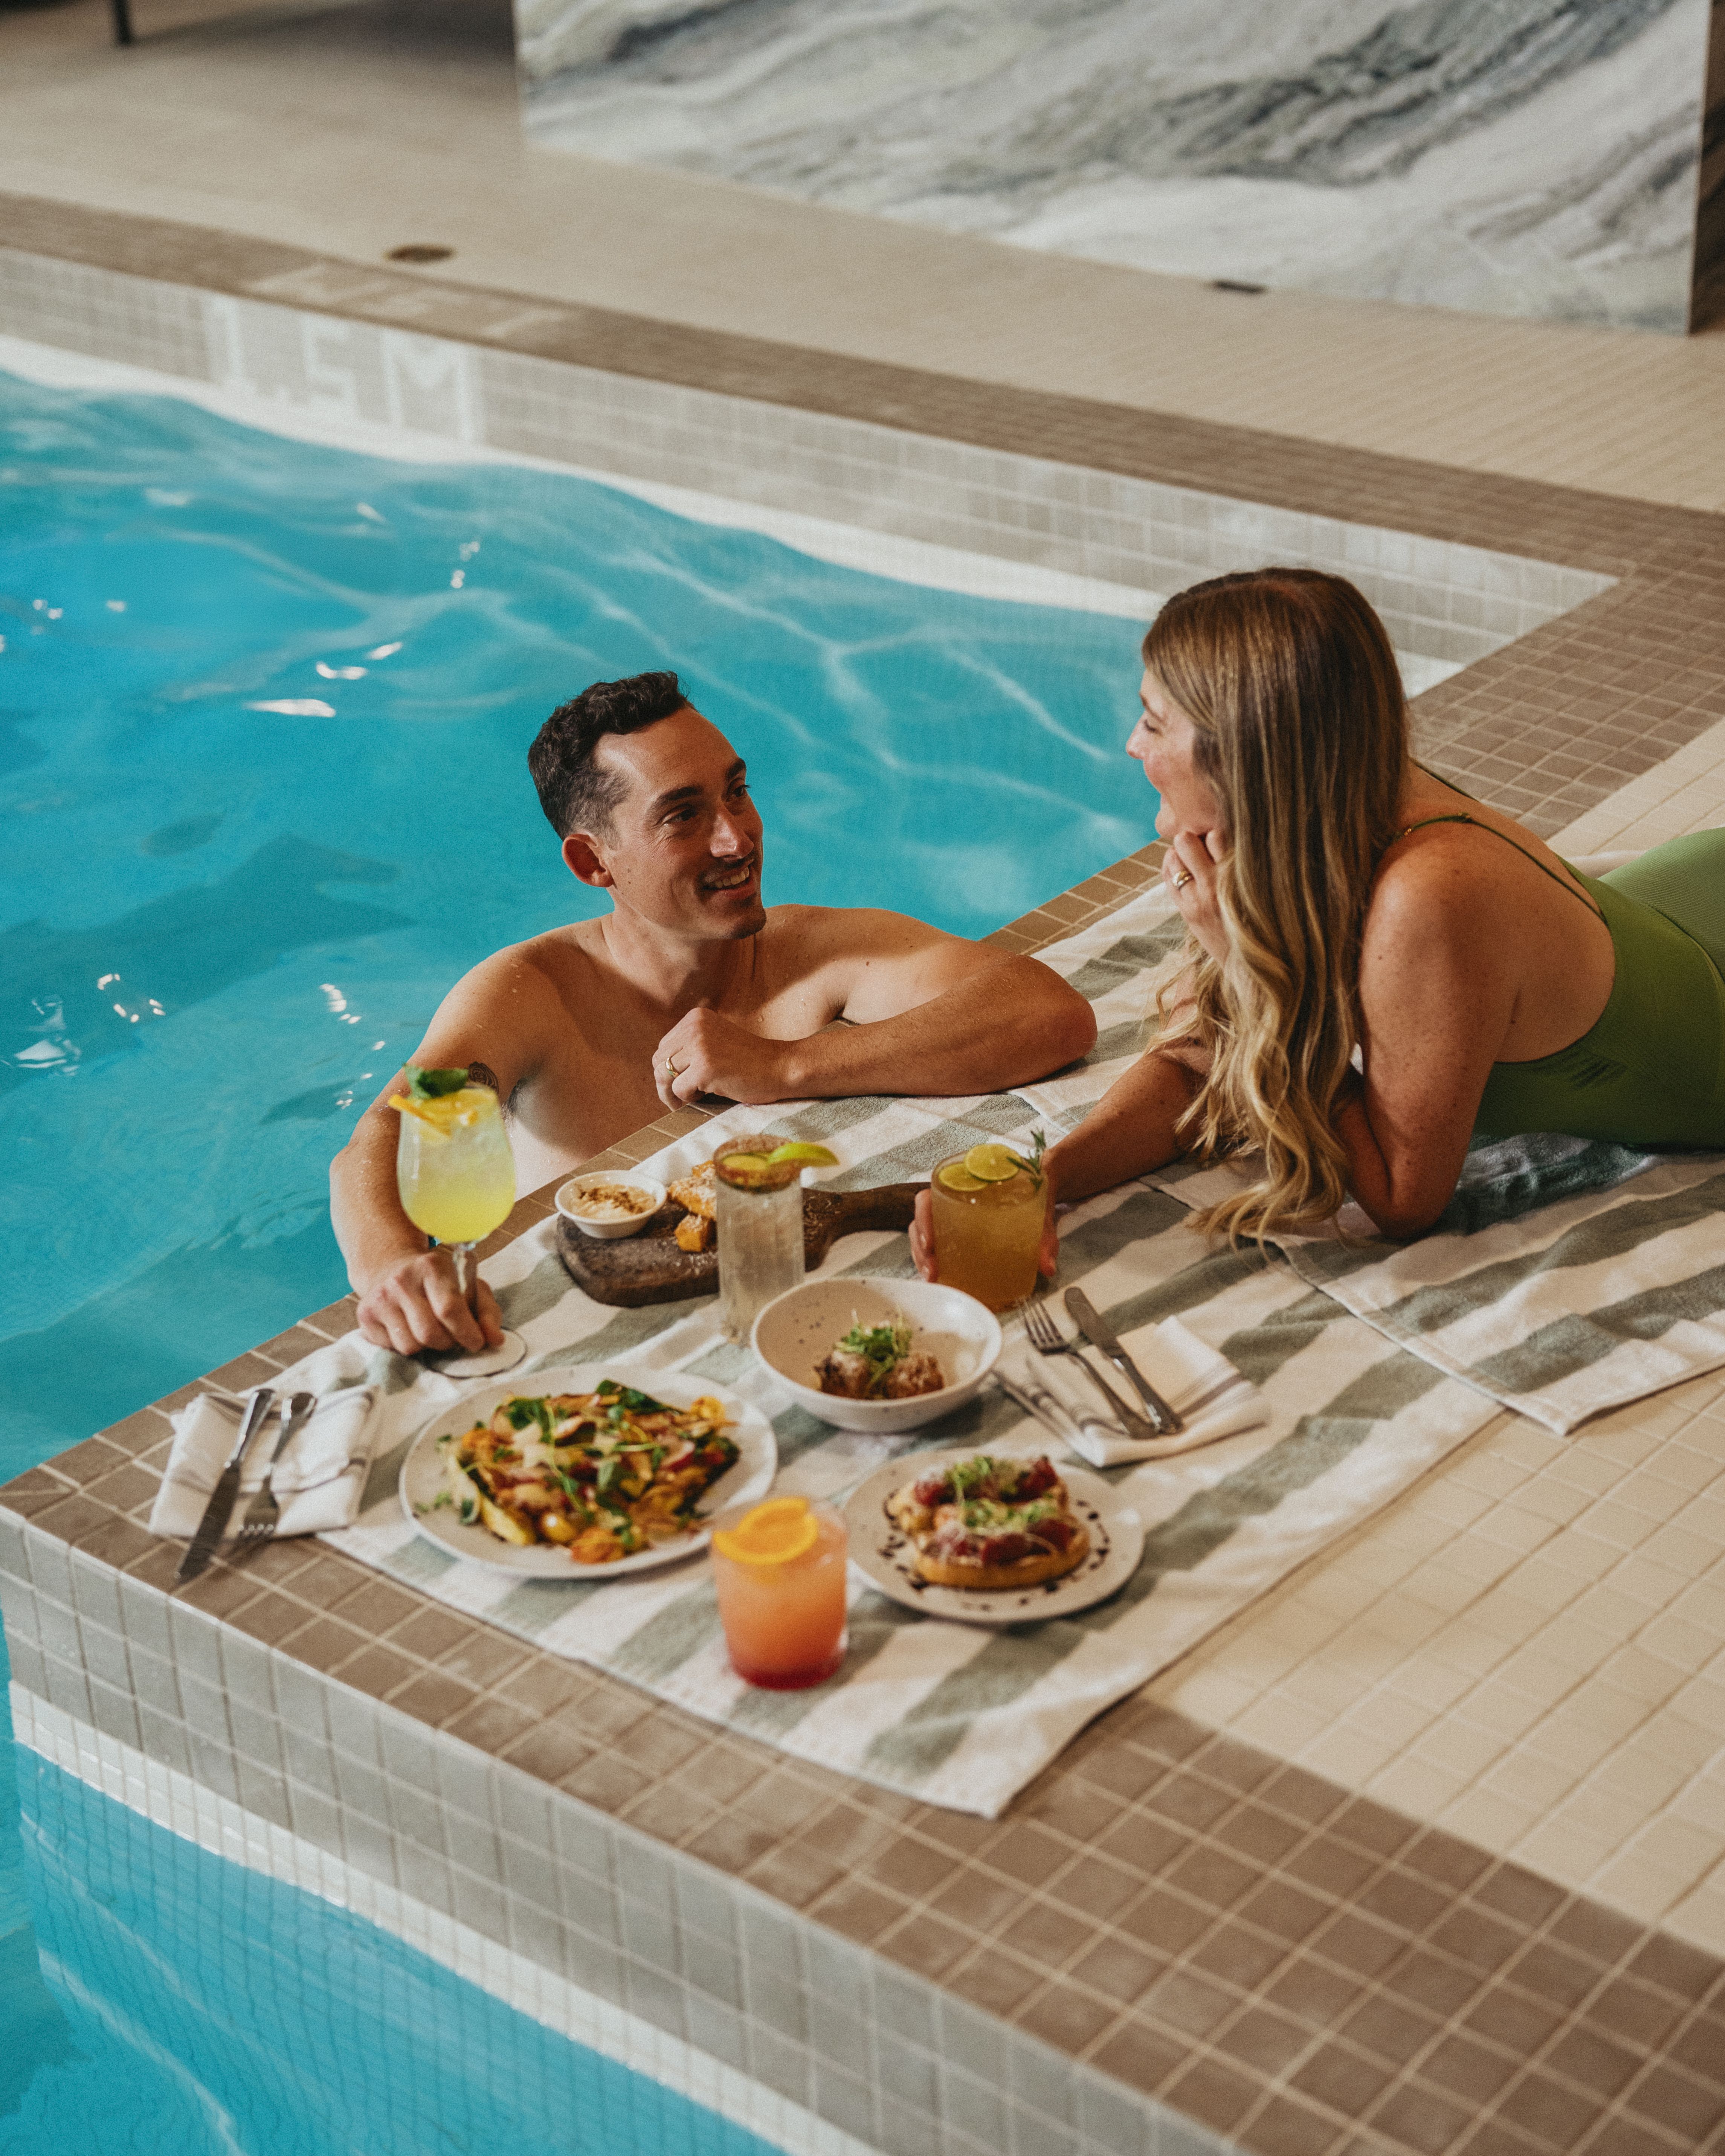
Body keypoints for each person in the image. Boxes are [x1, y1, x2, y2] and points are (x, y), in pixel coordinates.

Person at [913, 566, 1725, 1276]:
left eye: (1155, 723)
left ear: (1245, 751)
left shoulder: (1427, 898)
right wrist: (1045, 1182)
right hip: (1678, 908)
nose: (1132, 745)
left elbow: (1403, 1202)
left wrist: (1244, 965)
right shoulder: (1316, 804)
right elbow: (1206, 1055)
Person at [334, 670, 1097, 1355]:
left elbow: (1048, 1011)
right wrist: (395, 1267)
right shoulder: (531, 994)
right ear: (593, 862)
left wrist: (786, 1065)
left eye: (736, 791)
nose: (737, 837)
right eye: (683, 816)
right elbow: (382, 1137)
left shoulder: (813, 955)